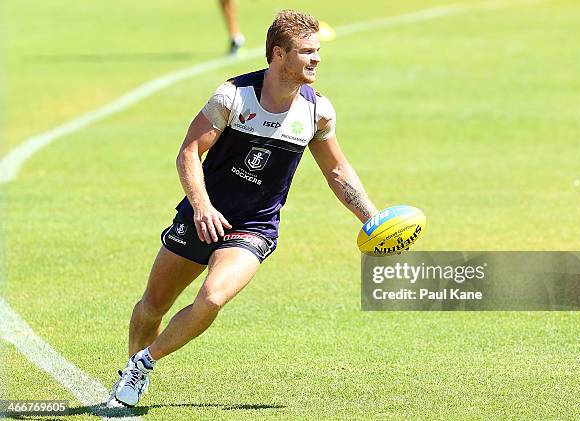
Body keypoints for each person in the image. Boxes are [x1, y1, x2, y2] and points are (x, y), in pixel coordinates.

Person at [106, 9, 378, 408]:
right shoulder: (234, 97)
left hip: (255, 225)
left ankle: (144, 364)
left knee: (213, 298)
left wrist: (373, 218)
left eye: (318, 51)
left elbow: (336, 170)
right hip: (205, 215)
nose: (316, 59)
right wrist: (201, 207)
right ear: (277, 54)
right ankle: (129, 369)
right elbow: (188, 153)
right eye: (306, 51)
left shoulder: (316, 111)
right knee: (153, 305)